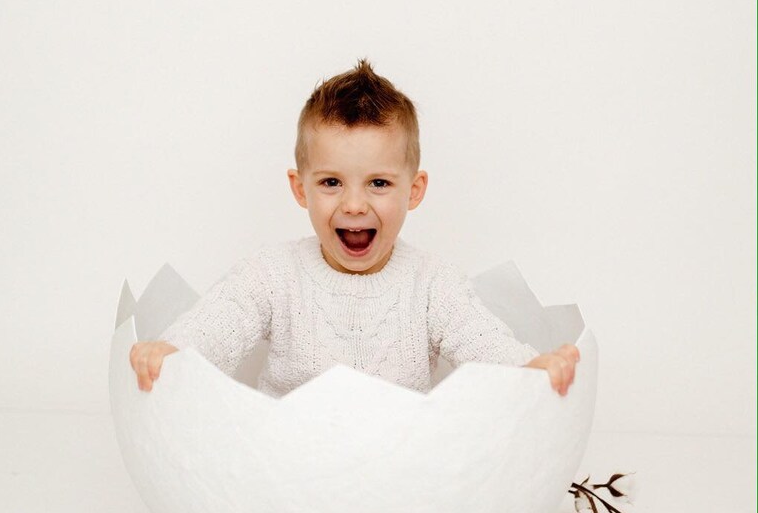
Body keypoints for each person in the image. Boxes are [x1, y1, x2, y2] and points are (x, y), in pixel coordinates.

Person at [130, 59, 580, 397]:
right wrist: (172, 353)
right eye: (331, 182)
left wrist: (530, 369)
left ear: (414, 190)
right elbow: (219, 323)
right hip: (285, 459)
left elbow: (482, 342)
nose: (354, 204)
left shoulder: (432, 284)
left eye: (379, 183)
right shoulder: (272, 275)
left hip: (394, 467)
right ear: (300, 188)